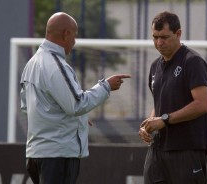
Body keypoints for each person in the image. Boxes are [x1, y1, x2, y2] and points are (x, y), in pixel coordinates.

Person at [20, 12, 131, 184]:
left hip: (36, 155)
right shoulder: (56, 65)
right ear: (66, 34)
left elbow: (29, 106)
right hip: (58, 155)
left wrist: (76, 120)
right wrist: (106, 86)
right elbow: (77, 105)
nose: (75, 41)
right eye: (75, 35)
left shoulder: (32, 63)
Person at [138, 11, 207, 184]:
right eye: (154, 37)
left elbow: (202, 104)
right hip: (157, 150)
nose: (158, 42)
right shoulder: (155, 65)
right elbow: (160, 102)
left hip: (186, 150)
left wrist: (164, 120)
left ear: (178, 34)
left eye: (164, 37)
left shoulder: (192, 61)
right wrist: (150, 123)